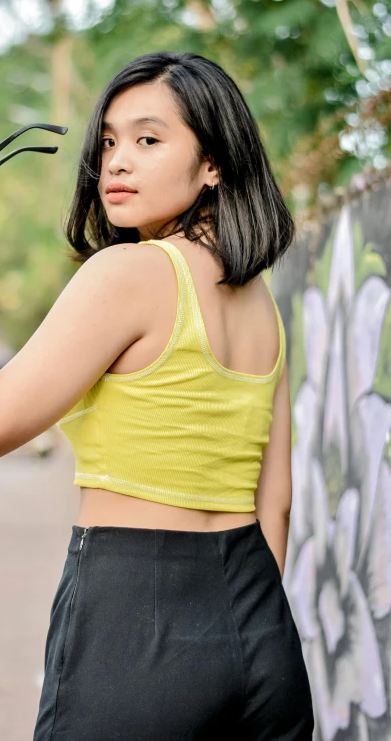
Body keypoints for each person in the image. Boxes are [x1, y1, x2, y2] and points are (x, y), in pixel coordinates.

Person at [29, 51, 314, 740]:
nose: (116, 163)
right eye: (108, 143)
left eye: (148, 140)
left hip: (132, 622)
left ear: (213, 162)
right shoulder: (257, 300)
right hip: (261, 630)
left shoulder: (128, 272)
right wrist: (233, 632)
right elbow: (273, 499)